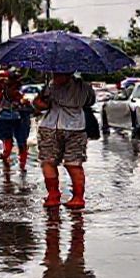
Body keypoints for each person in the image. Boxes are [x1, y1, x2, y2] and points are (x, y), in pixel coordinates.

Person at [33, 73, 95, 209]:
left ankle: (54, 196)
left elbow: (41, 105)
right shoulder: (84, 87)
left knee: (49, 161)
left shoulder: (50, 87)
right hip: (76, 126)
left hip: (51, 126)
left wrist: (40, 98)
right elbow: (90, 102)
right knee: (73, 163)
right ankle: (76, 197)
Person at [0, 70, 32, 170]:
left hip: (16, 118)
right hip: (4, 119)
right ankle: (10, 160)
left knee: (19, 141)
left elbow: (25, 104)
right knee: (10, 140)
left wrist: (22, 103)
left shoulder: (15, 91)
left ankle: (19, 164)